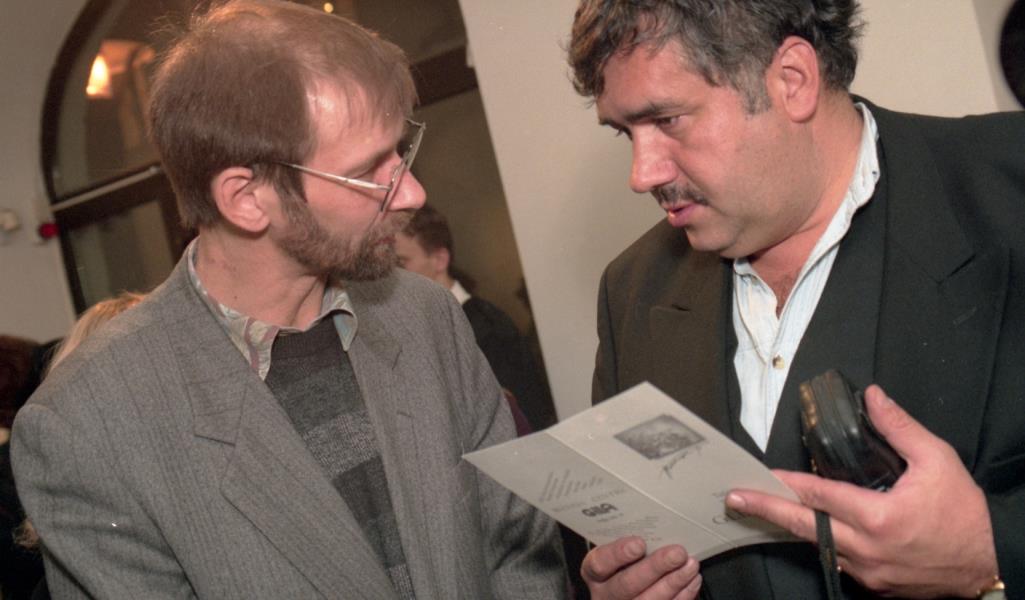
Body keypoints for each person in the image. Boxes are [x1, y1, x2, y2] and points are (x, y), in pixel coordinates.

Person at [12, 1, 566, 598]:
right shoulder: (88, 424)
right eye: (367, 171)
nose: (411, 193)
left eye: (400, 152)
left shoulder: (425, 316)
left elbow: (520, 556)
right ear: (246, 199)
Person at [567, 1, 1025, 599]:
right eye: (625, 133)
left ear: (793, 80)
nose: (642, 173)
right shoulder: (630, 293)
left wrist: (991, 553)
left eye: (668, 120)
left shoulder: (1009, 188)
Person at [394, 204, 558, 432]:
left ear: (440, 259)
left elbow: (520, 420)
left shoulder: (489, 329)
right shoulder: (410, 327)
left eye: (400, 263)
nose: (391, 275)